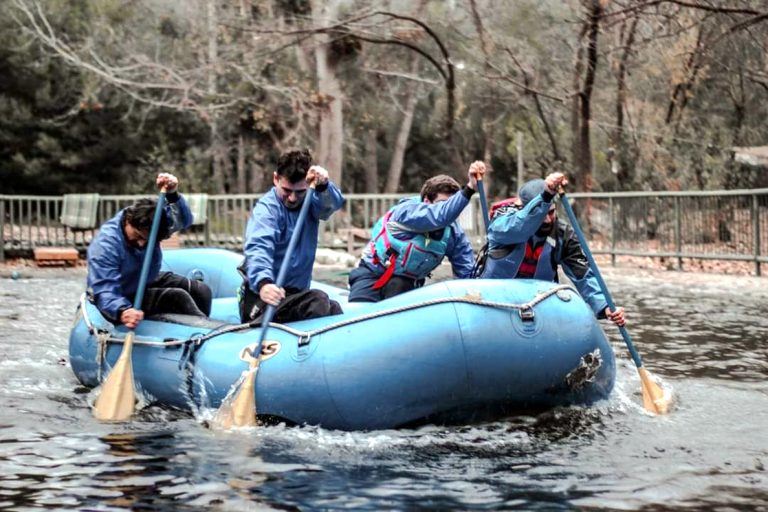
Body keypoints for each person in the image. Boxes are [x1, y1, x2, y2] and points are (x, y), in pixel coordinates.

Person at [479, 172, 626, 326]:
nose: (548, 220)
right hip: (495, 299)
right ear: (522, 208)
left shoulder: (563, 234)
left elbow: (582, 274)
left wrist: (605, 306)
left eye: (551, 212)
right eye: (543, 214)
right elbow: (519, 227)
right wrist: (545, 196)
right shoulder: (503, 222)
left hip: (536, 302)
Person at [348, 161, 486, 302]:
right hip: (371, 272)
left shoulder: (454, 234)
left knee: (399, 285)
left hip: (405, 283)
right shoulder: (407, 212)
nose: (451, 210)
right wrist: (469, 188)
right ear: (426, 201)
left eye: (452, 203)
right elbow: (440, 215)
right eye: (442, 203)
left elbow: (467, 275)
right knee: (360, 302)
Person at [87, 173, 212, 328]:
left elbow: (183, 220)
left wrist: (173, 194)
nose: (141, 244)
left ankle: (202, 334)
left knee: (201, 290)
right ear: (129, 222)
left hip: (143, 278)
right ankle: (203, 332)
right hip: (118, 293)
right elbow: (105, 290)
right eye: (137, 236)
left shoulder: (155, 225)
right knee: (178, 298)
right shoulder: (105, 245)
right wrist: (123, 310)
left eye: (148, 241)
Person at [240, 149, 345, 324]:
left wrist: (324, 186)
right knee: (317, 301)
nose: (293, 198)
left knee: (333, 308)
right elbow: (259, 248)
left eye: (300, 192)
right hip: (265, 298)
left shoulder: (310, 201)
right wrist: (264, 283)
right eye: (287, 190)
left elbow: (330, 206)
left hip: (295, 296)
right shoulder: (267, 210)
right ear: (276, 179)